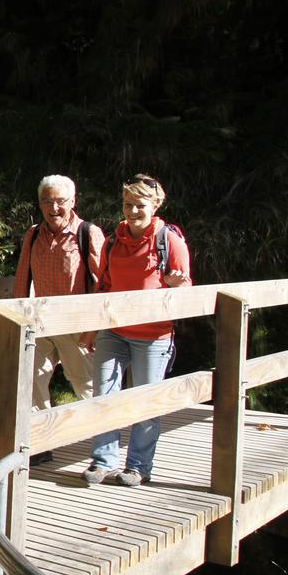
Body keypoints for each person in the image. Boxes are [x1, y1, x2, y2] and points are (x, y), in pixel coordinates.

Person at [82, 173, 192, 487]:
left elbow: (187, 291)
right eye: (128, 204)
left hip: (153, 336)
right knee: (104, 395)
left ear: (155, 205)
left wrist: (176, 285)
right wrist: (93, 327)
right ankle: (103, 461)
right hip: (113, 331)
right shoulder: (114, 240)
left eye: (139, 206)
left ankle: (139, 466)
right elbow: (104, 286)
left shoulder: (168, 239)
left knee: (146, 401)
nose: (132, 212)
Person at [14, 175, 104, 465]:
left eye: (60, 201)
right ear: (40, 203)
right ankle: (41, 443)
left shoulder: (88, 233)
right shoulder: (33, 234)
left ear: (73, 202)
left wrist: (93, 328)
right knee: (31, 381)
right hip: (40, 324)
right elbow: (21, 279)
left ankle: (104, 449)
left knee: (85, 385)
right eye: (47, 201)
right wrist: (19, 319)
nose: (54, 207)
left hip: (76, 324)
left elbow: (103, 284)